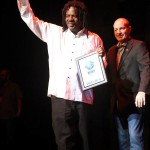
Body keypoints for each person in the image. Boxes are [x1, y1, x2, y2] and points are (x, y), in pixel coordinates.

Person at [17, 0, 107, 150]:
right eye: (67, 15)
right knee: (63, 142)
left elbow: (101, 69)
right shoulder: (53, 32)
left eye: (74, 16)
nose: (70, 19)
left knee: (87, 141)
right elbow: (29, 18)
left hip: (83, 97)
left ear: (82, 17)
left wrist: (101, 57)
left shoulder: (93, 38)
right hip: (60, 97)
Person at [106, 18, 150, 150]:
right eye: (115, 29)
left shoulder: (138, 46)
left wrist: (143, 90)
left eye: (122, 28)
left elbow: (146, 69)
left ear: (129, 28)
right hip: (118, 102)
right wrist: (100, 57)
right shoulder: (111, 50)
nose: (118, 32)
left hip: (133, 100)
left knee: (135, 139)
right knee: (122, 141)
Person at [0, 67, 22, 148]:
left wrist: (19, 111)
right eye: (0, 75)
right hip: (1, 115)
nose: (1, 77)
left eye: (3, 75)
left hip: (10, 115)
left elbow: (19, 99)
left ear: (7, 76)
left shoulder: (14, 86)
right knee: (3, 136)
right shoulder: (1, 88)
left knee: (10, 137)